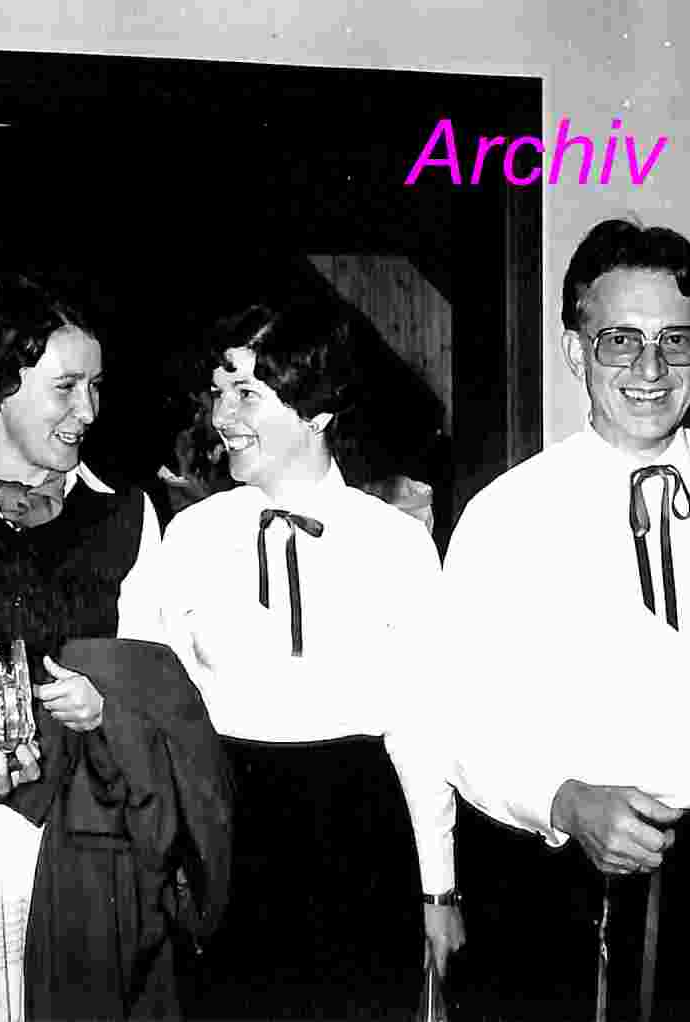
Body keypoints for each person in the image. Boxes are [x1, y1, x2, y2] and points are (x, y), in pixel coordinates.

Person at [440, 218, 690, 1021]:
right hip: (566, 877)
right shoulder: (505, 513)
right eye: (619, 341)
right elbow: (458, 719)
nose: (650, 368)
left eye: (676, 340)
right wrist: (562, 801)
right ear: (575, 351)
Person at [156, 299, 464, 1021]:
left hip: (359, 831)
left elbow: (421, 731)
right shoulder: (190, 537)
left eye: (247, 394)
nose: (222, 416)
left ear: (318, 410)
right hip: (230, 833)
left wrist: (438, 889)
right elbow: (168, 718)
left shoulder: (398, 544)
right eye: (218, 392)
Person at [0, 272, 230, 1021]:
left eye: (95, 387)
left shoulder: (126, 516)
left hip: (88, 857)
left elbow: (166, 699)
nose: (89, 411)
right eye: (65, 387)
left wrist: (106, 710)